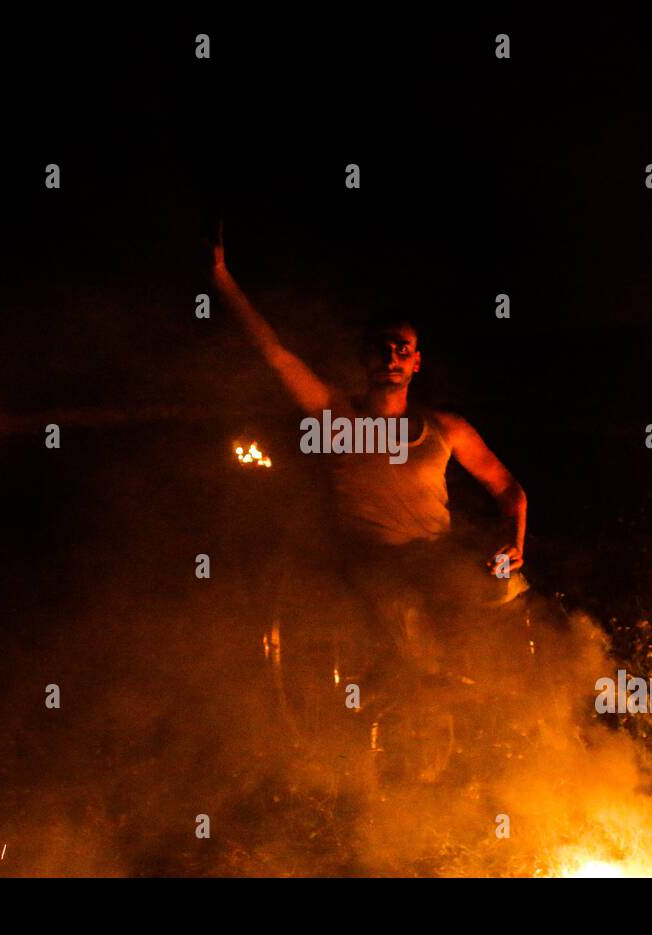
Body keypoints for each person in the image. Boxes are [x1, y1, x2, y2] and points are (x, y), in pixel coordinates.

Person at [210, 229, 528, 674]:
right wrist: (222, 278)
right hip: (370, 566)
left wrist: (512, 545)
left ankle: (506, 702)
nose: (391, 356)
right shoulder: (337, 416)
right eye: (381, 348)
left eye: (402, 349)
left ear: (416, 361)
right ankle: (419, 694)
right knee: (401, 612)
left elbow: (508, 488)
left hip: (435, 560)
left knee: (501, 587)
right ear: (366, 358)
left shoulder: (445, 428)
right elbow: (275, 353)